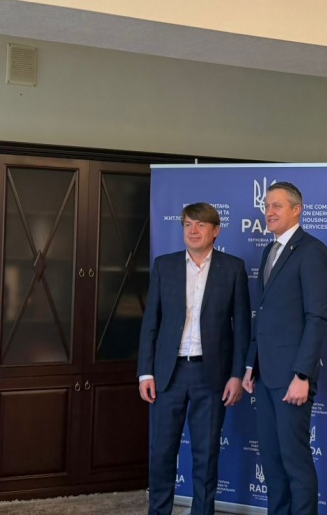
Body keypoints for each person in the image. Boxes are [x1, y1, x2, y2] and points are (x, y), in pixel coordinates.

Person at [137, 203, 251, 515]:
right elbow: (151, 323)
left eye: (200, 224)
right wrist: (145, 372)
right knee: (162, 453)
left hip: (211, 376)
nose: (193, 230)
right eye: (187, 224)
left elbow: (242, 327)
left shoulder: (233, 268)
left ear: (215, 231)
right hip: (168, 374)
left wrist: (236, 374)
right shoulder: (165, 266)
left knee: (206, 455)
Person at [242, 181, 327, 515]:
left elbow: (316, 317)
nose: (269, 212)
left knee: (295, 459)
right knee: (272, 458)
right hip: (265, 374)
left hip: (292, 376)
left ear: (297, 210)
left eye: (277, 205)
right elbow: (264, 314)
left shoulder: (312, 251)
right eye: (267, 206)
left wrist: (302, 375)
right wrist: (250, 365)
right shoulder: (269, 250)